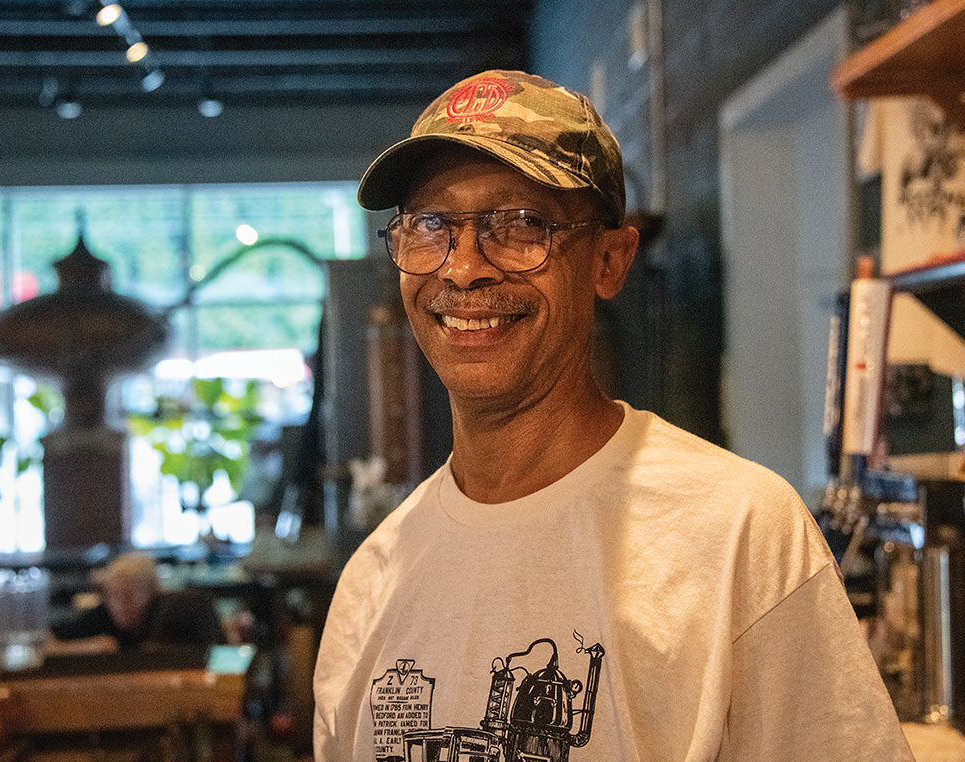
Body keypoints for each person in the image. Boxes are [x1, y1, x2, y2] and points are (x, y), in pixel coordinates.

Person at [313, 70, 912, 761]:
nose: (464, 268)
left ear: (609, 260)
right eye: (430, 226)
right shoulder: (373, 583)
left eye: (520, 225)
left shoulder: (740, 533)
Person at [52, 551, 224, 651]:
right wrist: (88, 648)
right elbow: (50, 643)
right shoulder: (103, 614)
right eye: (113, 595)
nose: (119, 605)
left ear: (152, 592)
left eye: (128, 596)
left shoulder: (173, 614)